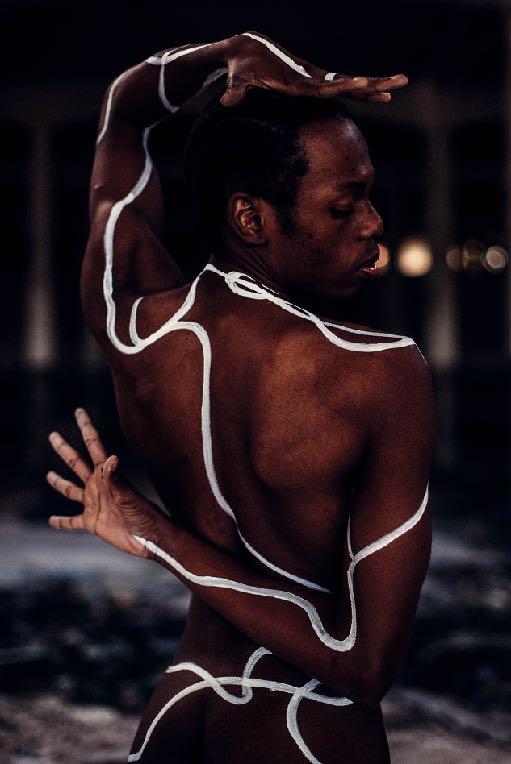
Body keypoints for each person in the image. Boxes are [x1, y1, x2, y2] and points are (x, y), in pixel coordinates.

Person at [46, 32, 436, 764]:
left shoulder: (131, 320)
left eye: (368, 197)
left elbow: (125, 113)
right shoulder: (381, 372)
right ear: (251, 219)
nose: (373, 223)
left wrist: (229, 51)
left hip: (180, 708)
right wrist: (157, 535)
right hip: (305, 725)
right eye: (343, 205)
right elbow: (359, 665)